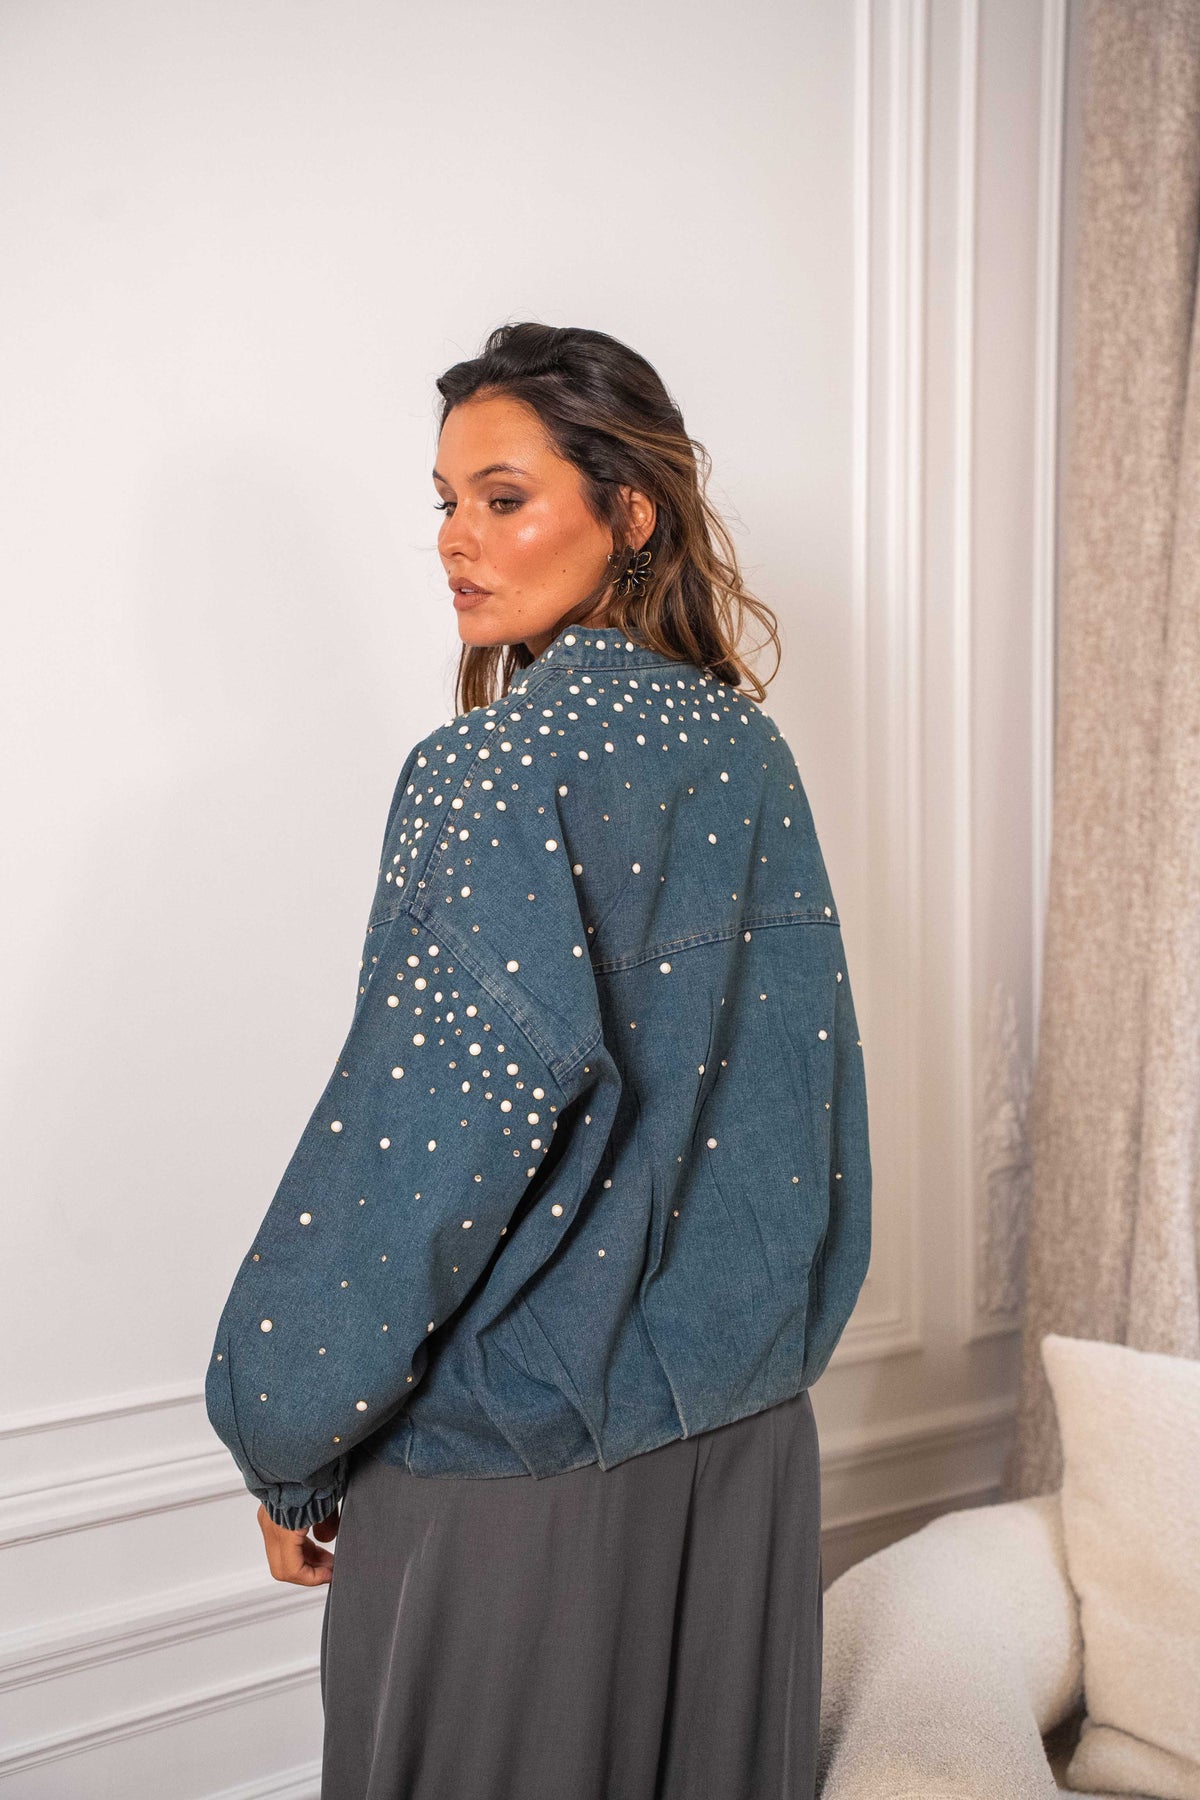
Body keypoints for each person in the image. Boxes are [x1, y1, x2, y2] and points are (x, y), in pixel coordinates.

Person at [205, 321, 872, 1800]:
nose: (456, 538)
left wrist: (286, 1426)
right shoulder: (747, 753)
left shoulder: (492, 767)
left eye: (503, 498)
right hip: (747, 1458)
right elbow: (805, 1108)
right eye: (446, 502)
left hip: (519, 1484)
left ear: (627, 514)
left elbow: (416, 1148)